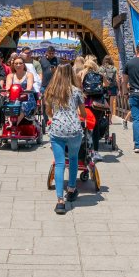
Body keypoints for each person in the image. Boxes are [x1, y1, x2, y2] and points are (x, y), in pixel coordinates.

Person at [43, 64, 86, 214]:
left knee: (60, 163)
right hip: (74, 129)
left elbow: (48, 111)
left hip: (57, 130)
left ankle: (60, 201)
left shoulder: (52, 91)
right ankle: (72, 189)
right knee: (73, 159)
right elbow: (83, 113)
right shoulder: (76, 91)